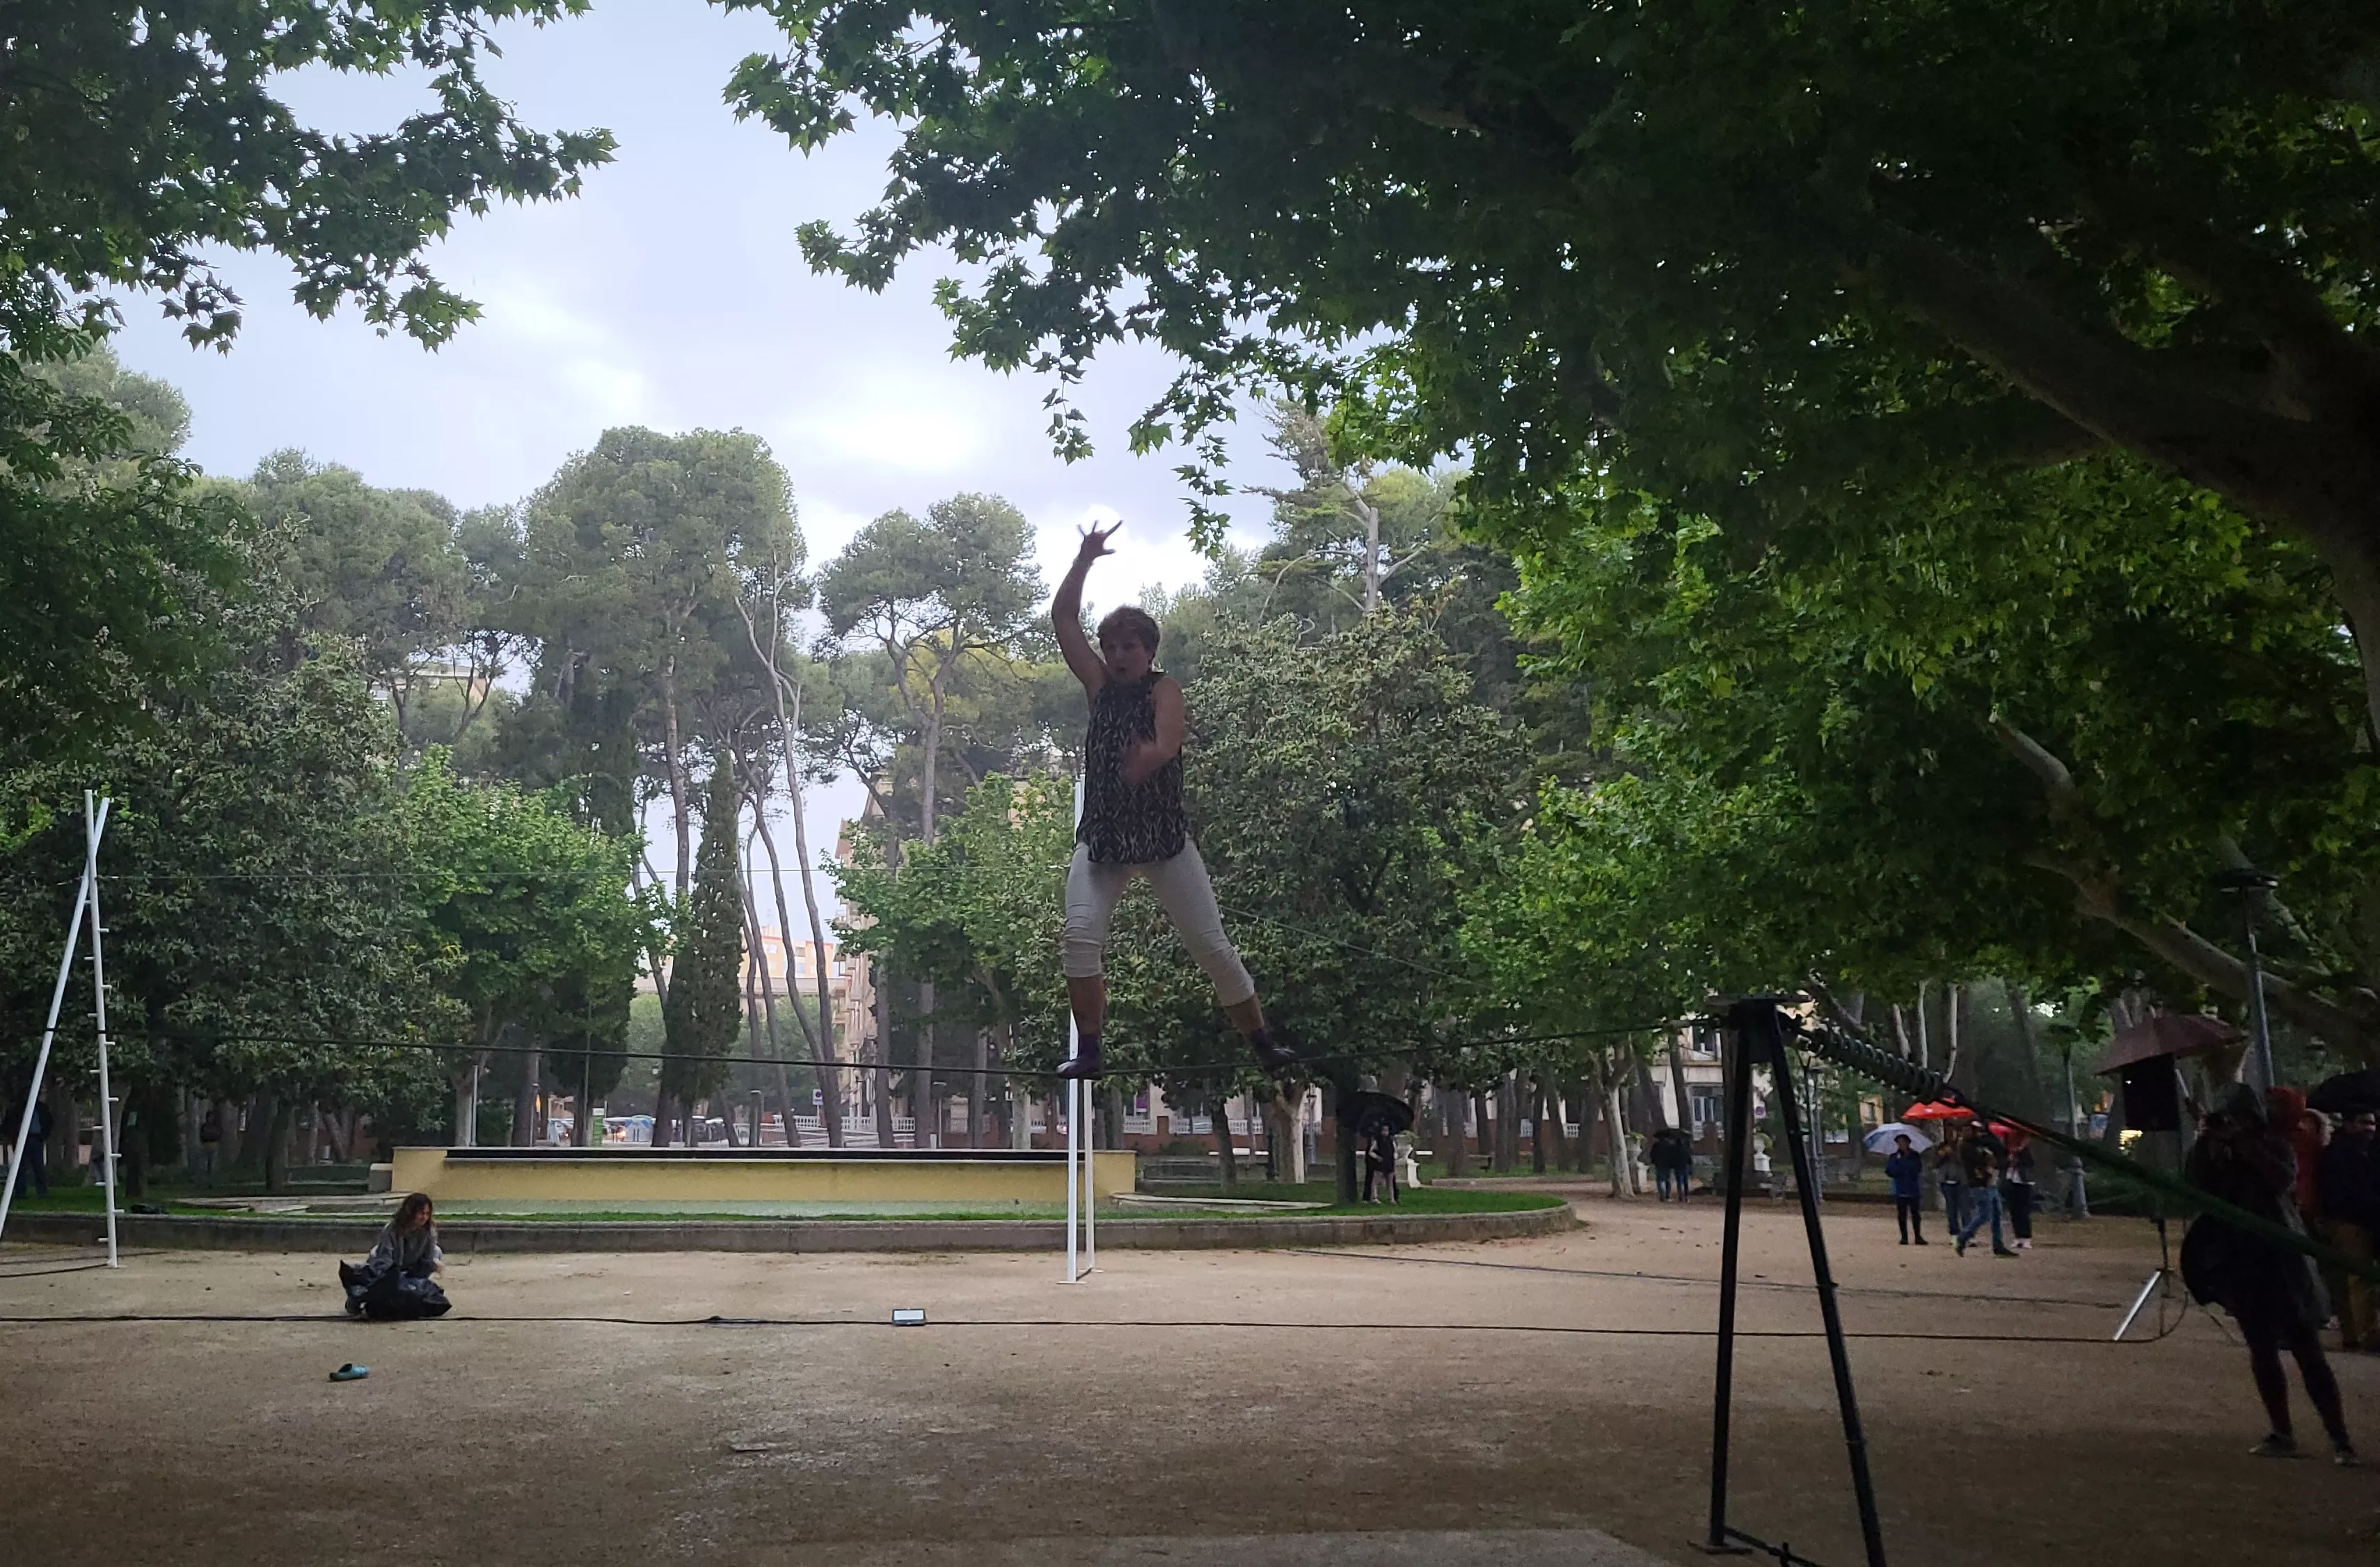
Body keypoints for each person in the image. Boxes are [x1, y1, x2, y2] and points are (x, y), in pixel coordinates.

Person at [1049, 522, 1296, 1082]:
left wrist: (1150, 758)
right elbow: (1063, 620)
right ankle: (1090, 1052)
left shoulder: (1165, 688)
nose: (1116, 655)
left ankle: (1262, 1043)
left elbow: (1168, 738)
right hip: (1105, 841)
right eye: (1110, 647)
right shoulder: (1099, 688)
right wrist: (1084, 559)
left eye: (1128, 647)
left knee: (1212, 947)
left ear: (1149, 650)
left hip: (1164, 844)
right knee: (1079, 939)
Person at [2182, 1083, 2356, 1463]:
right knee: (2261, 1349)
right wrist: (2206, 1140)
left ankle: (2340, 1438)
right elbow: (2195, 1184)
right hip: (2240, 1259)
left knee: (2306, 1348)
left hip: (2282, 1258)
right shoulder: (2216, 1148)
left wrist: (2242, 1144)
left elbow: (2281, 1179)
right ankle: (2282, 1431)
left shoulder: (2275, 1144)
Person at [2317, 1106, 2379, 1352]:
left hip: (2353, 1220)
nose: (2370, 1128)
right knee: (2358, 1278)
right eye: (2364, 1122)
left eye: (2372, 1123)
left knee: (2348, 1280)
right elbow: (2348, 1193)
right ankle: (2366, 1334)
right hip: (2349, 1221)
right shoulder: (2341, 1154)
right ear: (2349, 1124)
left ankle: (2354, 1334)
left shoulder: (2358, 1152)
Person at [340, 1192, 452, 1320]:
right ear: (410, 1212)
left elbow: (428, 1257)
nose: (424, 1218)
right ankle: (357, 1300)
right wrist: (396, 1277)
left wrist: (431, 1265)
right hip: (390, 1268)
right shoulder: (392, 1230)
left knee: (436, 1253)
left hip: (412, 1268)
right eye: (421, 1213)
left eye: (427, 1214)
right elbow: (384, 1260)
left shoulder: (429, 1232)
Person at [1955, 1120, 2016, 1257]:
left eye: (1970, 1130)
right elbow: (1983, 1161)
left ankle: (1998, 1244)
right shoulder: (1966, 1147)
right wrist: (1991, 1162)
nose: (1968, 1132)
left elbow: (1997, 1155)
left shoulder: (1982, 1143)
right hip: (1979, 1184)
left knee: (1997, 1214)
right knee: (1985, 1214)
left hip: (1990, 1182)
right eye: (1965, 1130)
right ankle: (1963, 1236)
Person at [6, 1092, 51, 1200]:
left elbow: (49, 1122)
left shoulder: (42, 1109)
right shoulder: (17, 1109)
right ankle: (20, 1192)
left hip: (36, 1138)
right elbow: (8, 1123)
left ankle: (42, 1192)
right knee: (20, 1167)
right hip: (20, 1139)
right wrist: (13, 1136)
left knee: (38, 1167)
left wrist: (43, 1136)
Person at [1884, 1133, 1927, 1245]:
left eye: (1903, 1142)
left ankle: (1918, 1236)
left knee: (1915, 1214)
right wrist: (1899, 1163)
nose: (1901, 1144)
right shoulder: (1894, 1156)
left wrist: (1904, 1163)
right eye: (1899, 1142)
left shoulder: (1915, 1155)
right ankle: (1904, 1237)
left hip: (1913, 1188)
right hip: (1900, 1188)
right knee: (1902, 1214)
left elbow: (1916, 1169)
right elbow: (1890, 1171)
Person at [2001, 1127, 2038, 1251]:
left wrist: (2018, 1156)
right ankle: (2018, 1237)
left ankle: (2026, 1238)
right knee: (2014, 1210)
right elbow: (2003, 1164)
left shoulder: (2026, 1151)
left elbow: (2030, 1163)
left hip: (2024, 1181)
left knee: (2024, 1211)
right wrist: (2009, 1160)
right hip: (2011, 1180)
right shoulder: (2008, 1151)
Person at [1932, 1126, 1967, 1234]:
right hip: (1946, 1181)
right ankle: (1954, 1232)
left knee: (1965, 1209)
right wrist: (1942, 1155)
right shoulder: (1941, 1146)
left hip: (1961, 1181)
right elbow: (1935, 1164)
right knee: (1951, 1210)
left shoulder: (1963, 1146)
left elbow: (1965, 1162)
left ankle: (1967, 1232)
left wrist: (1954, 1153)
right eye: (1948, 1132)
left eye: (1953, 1132)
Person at [1363, 1124, 1399, 1204]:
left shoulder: (1391, 1141)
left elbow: (1396, 1151)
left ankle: (1391, 1198)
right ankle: (1374, 1197)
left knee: (1390, 1182)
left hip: (1389, 1163)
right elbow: (1371, 1152)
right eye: (1383, 1130)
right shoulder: (1377, 1141)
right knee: (1376, 1181)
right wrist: (1377, 1157)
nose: (1385, 1132)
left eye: (1387, 1130)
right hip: (1380, 1163)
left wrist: (1394, 1158)